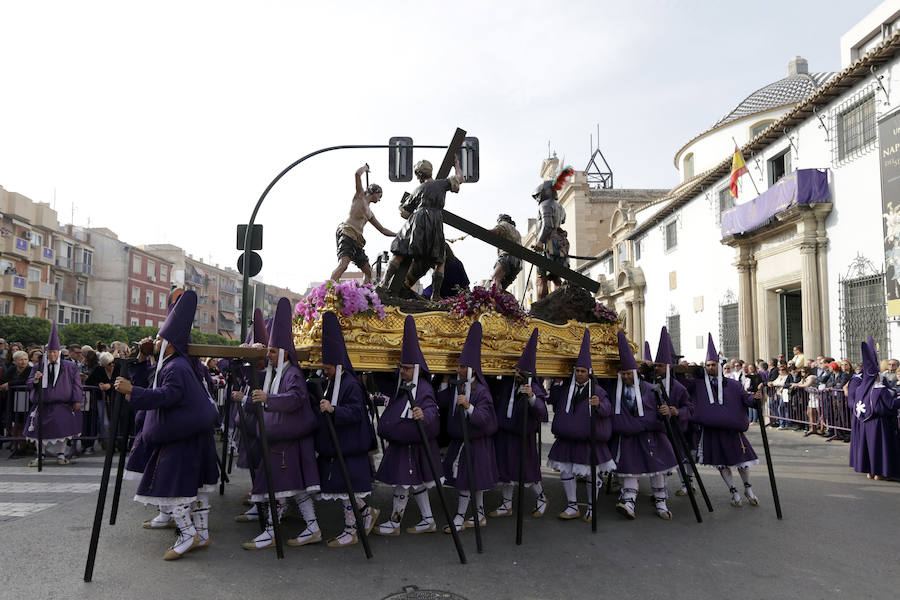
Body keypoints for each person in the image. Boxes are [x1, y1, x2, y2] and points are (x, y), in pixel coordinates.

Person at [114, 291, 220, 560]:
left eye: (160, 338)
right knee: (192, 488)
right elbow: (152, 381)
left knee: (174, 489)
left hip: (182, 437)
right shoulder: (170, 363)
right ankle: (201, 535)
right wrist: (140, 360)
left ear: (170, 343)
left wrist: (132, 391)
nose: (155, 341)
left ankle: (189, 534)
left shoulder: (177, 367)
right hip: (183, 434)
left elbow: (167, 396)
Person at [241, 298, 320, 551]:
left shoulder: (293, 374)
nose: (269, 355)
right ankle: (312, 527)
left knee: (279, 488)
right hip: (281, 442)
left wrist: (268, 398)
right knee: (295, 488)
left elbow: (297, 398)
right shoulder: (277, 373)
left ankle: (271, 532)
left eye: (272, 351)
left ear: (284, 352)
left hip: (288, 442)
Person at [312, 310, 377, 548]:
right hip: (338, 446)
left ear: (338, 366)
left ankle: (352, 530)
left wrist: (333, 410)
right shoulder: (332, 383)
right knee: (345, 490)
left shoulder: (350, 384)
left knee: (349, 491)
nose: (325, 370)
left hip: (350, 446)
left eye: (328, 366)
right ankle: (367, 514)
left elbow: (357, 412)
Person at [373, 315, 441, 536]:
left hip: (413, 445)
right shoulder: (403, 385)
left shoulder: (423, 389)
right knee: (414, 482)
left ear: (417, 370)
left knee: (403, 484)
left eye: (406, 368)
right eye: (400, 367)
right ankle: (428, 519)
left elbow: (431, 409)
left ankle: (395, 523)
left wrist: (424, 414)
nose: (402, 371)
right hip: (405, 444)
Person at [546, 328, 614, 521]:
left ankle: (592, 508)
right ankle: (572, 506)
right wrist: (556, 382)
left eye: (583, 371)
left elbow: (608, 408)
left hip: (589, 440)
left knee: (591, 474)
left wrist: (599, 404)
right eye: (577, 371)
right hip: (567, 439)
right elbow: (553, 400)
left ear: (589, 372)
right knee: (566, 472)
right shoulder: (567, 389)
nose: (580, 374)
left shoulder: (598, 391)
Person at [609, 331, 677, 520]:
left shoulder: (651, 389)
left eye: (628, 373)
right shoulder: (616, 392)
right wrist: (630, 425)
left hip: (653, 437)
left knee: (658, 469)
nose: (626, 377)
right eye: (623, 374)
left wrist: (665, 412)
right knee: (630, 469)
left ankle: (661, 503)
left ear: (636, 372)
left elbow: (659, 410)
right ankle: (629, 502)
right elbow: (615, 415)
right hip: (630, 439)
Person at [688, 334, 760, 508]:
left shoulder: (734, 385)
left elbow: (747, 400)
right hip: (712, 432)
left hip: (733, 431)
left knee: (742, 461)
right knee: (722, 464)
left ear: (719, 366)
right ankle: (734, 492)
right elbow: (682, 386)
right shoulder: (697, 384)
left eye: (713, 365)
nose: (710, 367)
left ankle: (748, 489)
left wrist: (757, 398)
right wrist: (688, 370)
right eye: (707, 365)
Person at [440, 321, 499, 533]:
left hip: (476, 442)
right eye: (458, 365)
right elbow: (444, 402)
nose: (459, 369)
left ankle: (460, 517)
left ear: (472, 368)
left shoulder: (482, 391)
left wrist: (469, 406)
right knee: (468, 480)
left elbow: (486, 417)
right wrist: (446, 382)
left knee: (468, 481)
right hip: (460, 440)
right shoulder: (458, 385)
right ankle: (479, 515)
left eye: (463, 366)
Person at [488, 328, 549, 519]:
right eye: (515, 371)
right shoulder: (507, 384)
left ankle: (541, 498)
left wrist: (530, 396)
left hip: (524, 436)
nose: (517, 375)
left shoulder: (535, 388)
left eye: (521, 372)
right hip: (505, 433)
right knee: (505, 469)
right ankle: (506, 504)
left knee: (527, 470)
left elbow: (542, 411)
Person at [383, 157, 465, 299]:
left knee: (400, 249)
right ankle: (436, 295)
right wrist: (456, 164)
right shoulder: (442, 184)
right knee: (439, 259)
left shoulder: (418, 189)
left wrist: (401, 207)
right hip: (435, 221)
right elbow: (460, 178)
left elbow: (405, 213)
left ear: (419, 174)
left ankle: (383, 284)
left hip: (418, 222)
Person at [25, 322, 82, 467]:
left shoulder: (70, 367)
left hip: (62, 404)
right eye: (49, 352)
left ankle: (61, 454)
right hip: (42, 404)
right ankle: (40, 454)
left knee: (62, 429)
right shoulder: (39, 366)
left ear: (59, 352)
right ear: (46, 353)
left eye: (54, 352)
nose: (52, 355)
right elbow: (29, 383)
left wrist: (77, 400)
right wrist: (36, 379)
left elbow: (77, 384)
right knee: (39, 430)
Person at [331, 165, 396, 284]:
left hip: (357, 240)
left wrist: (397, 235)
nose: (380, 199)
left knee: (368, 271)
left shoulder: (370, 213)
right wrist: (365, 168)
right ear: (375, 192)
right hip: (347, 233)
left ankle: (364, 295)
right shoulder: (359, 197)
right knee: (343, 265)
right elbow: (357, 174)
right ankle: (326, 291)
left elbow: (382, 230)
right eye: (380, 195)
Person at [849, 339, 900, 480]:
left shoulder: (861, 389)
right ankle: (880, 473)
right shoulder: (879, 389)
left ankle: (870, 471)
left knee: (869, 447)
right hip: (879, 423)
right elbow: (889, 405)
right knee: (879, 447)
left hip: (865, 423)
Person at [532, 167, 573, 300]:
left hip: (548, 244)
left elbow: (548, 225)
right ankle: (559, 304)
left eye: (538, 195)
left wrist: (539, 241)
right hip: (560, 244)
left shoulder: (545, 205)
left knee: (542, 279)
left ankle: (540, 311)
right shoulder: (560, 207)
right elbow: (561, 220)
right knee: (557, 278)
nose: (537, 199)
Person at [1, 350, 33, 458]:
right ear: (15, 361)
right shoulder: (12, 369)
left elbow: (26, 381)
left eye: (25, 359)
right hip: (12, 400)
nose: (23, 362)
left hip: (25, 401)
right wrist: (7, 383)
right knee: (14, 424)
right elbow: (3, 380)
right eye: (21, 360)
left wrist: (10, 384)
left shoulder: (30, 370)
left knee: (22, 423)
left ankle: (23, 447)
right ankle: (16, 445)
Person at [489, 214, 523, 291]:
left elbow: (496, 231)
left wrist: (480, 232)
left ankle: (493, 300)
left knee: (495, 278)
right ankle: (504, 301)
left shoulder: (504, 224)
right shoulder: (516, 232)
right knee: (502, 287)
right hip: (517, 263)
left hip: (507, 256)